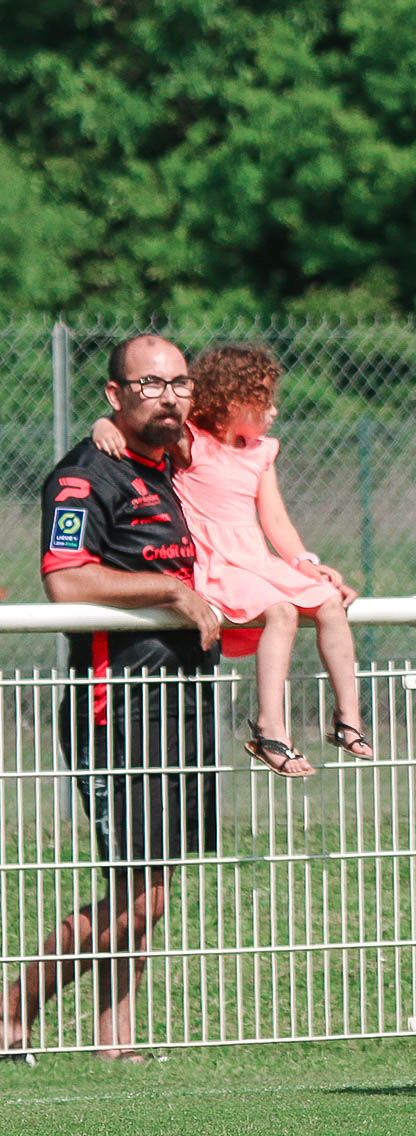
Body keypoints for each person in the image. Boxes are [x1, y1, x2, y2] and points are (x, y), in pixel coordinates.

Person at [2, 333, 222, 1062]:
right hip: (118, 708)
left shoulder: (172, 461)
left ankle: (114, 1042)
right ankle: (9, 1012)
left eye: (179, 383)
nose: (168, 395)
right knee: (141, 896)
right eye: (150, 383)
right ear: (114, 395)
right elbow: (66, 580)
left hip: (181, 703)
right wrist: (171, 590)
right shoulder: (83, 475)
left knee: (142, 887)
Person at [93, 343, 367, 777]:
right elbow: (143, 423)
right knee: (280, 612)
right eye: (265, 402)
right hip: (217, 564)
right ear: (232, 401)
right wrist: (103, 422)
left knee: (330, 603)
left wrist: (305, 562)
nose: (273, 412)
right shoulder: (190, 443)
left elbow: (275, 519)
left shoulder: (261, 451)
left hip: (255, 560)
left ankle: (348, 719)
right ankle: (270, 729)